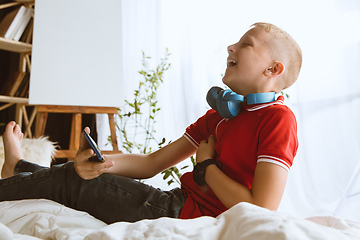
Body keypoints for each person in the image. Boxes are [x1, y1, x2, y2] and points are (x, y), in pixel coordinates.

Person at [0, 22, 302, 224]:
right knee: (79, 174)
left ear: (273, 69)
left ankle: (15, 172)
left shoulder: (278, 119)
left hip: (187, 216)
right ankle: (19, 168)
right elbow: (151, 163)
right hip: (176, 202)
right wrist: (102, 163)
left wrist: (206, 167)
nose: (230, 48)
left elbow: (262, 209)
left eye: (245, 44)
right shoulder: (219, 116)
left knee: (72, 182)